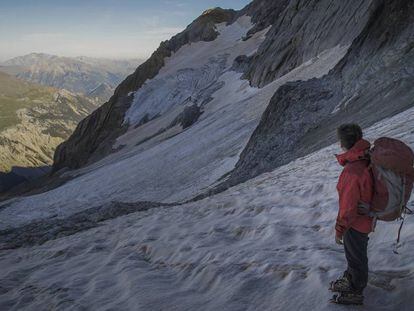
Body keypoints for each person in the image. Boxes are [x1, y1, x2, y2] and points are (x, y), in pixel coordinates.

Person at [330, 123, 374, 305]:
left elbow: (348, 208)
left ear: (343, 143)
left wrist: (340, 229)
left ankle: (356, 291)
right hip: (364, 218)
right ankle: (351, 278)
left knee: (356, 257)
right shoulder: (365, 158)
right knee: (355, 254)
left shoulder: (352, 171)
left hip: (355, 223)